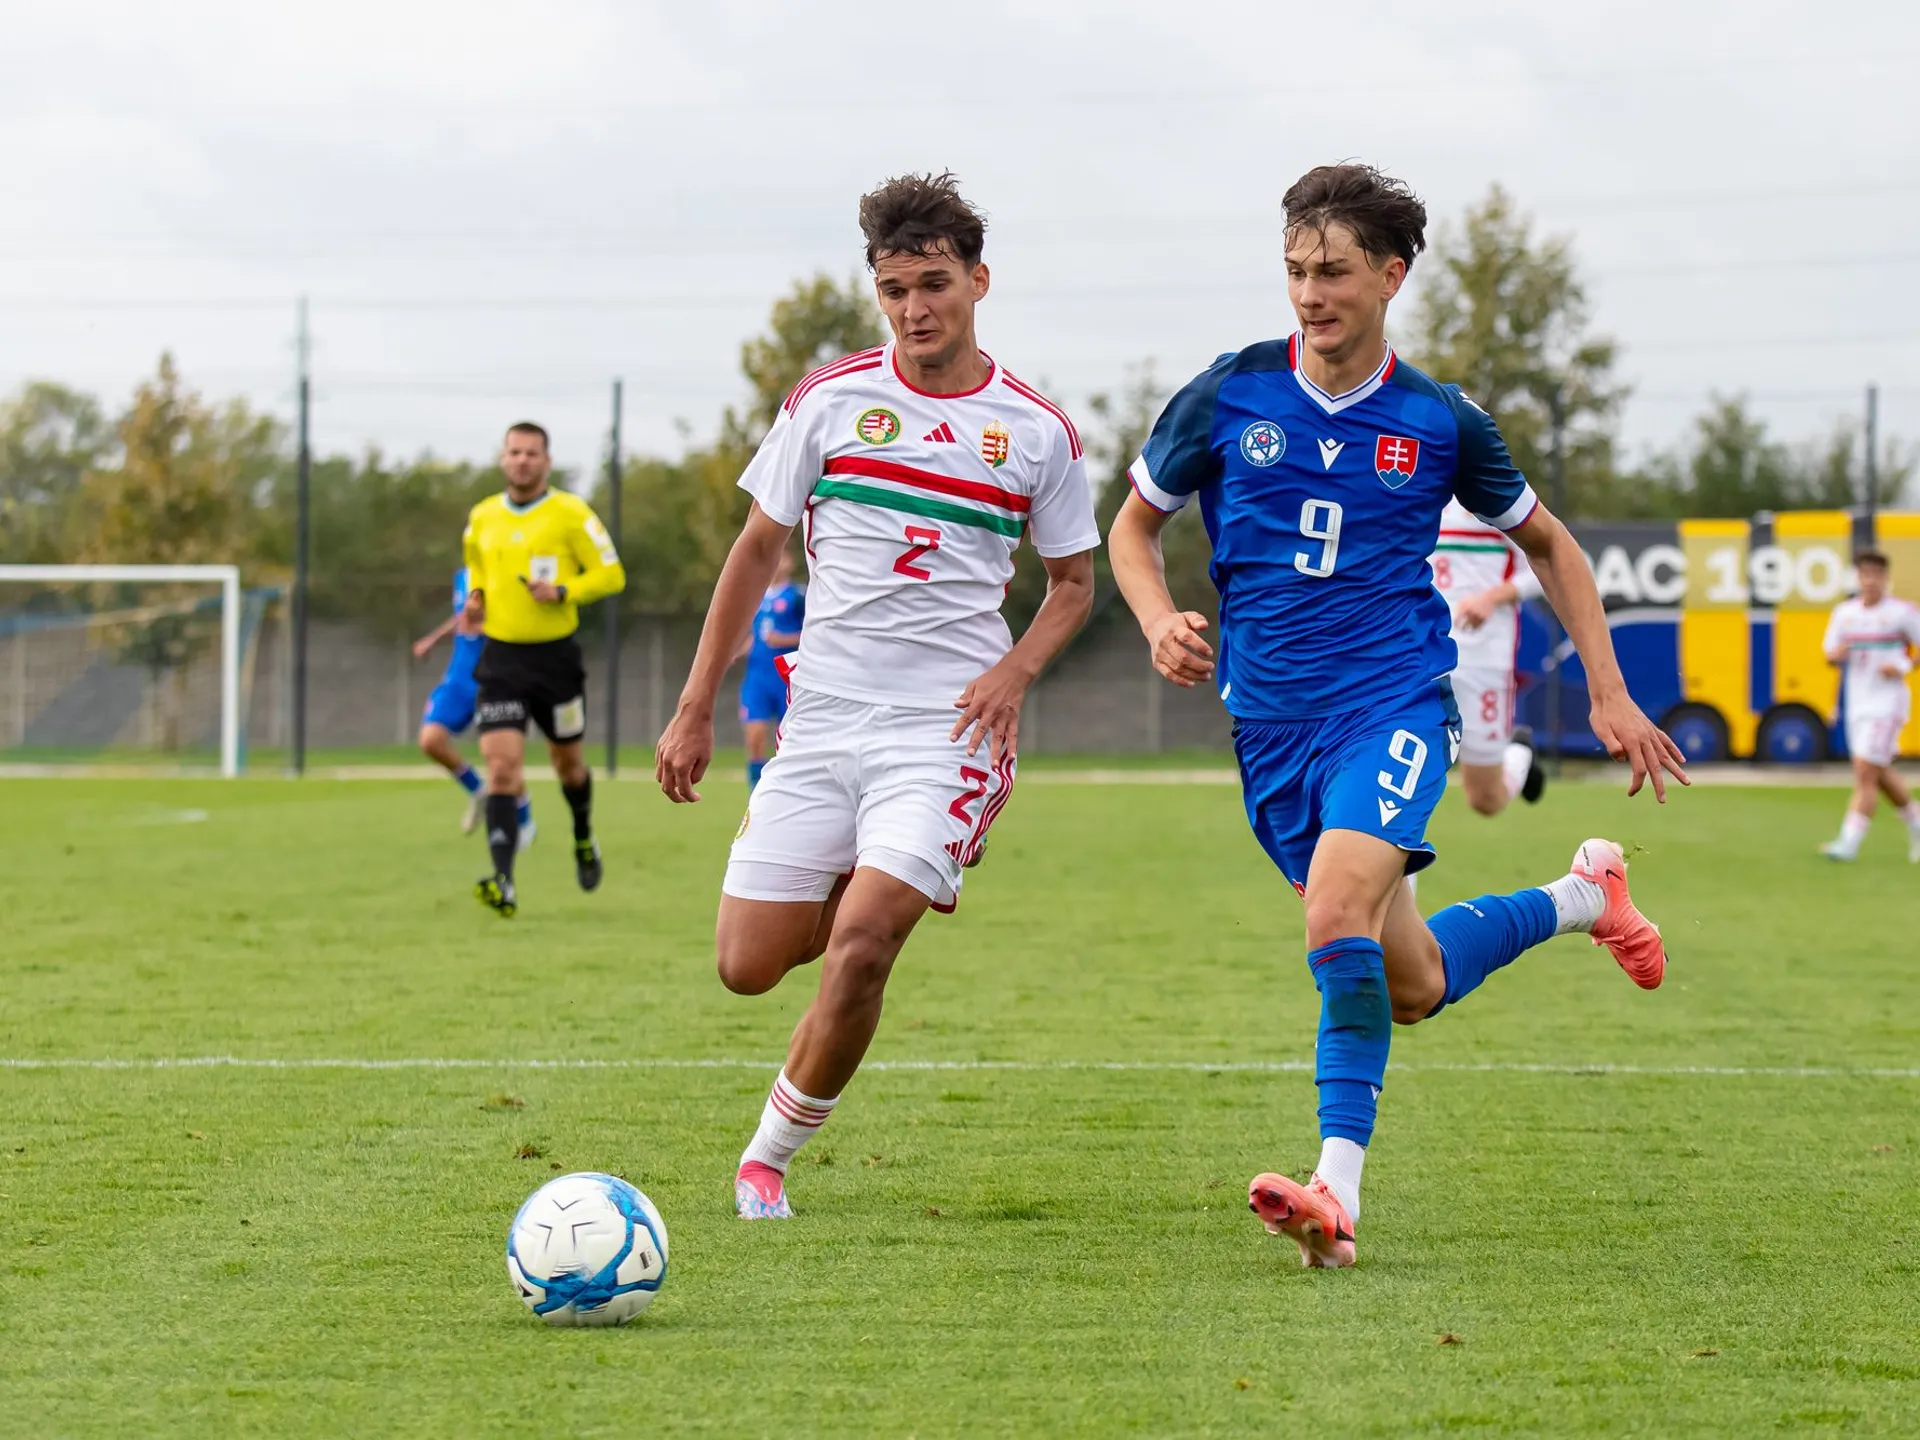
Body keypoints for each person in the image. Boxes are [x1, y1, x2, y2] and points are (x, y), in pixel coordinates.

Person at [1107, 163, 1689, 1268]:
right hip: (1270, 731)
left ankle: (1336, 1192)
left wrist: (1609, 691)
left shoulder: (1438, 419)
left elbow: (1550, 544)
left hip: (1393, 705)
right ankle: (1584, 896)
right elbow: (1132, 529)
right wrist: (1154, 619)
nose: (1309, 293)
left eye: (1332, 271)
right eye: (1294, 270)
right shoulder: (1230, 392)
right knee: (1408, 982)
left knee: (1335, 917)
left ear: (1390, 274)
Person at [654, 171, 1099, 1221]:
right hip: (820, 721)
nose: (914, 309)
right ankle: (871, 871)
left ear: (979, 280)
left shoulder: (1037, 430)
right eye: (894, 289)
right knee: (745, 966)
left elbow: (1075, 584)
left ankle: (766, 1162)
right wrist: (695, 702)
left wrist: (1015, 671)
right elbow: (755, 551)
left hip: (947, 732)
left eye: (934, 284)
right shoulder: (828, 401)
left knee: (861, 946)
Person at [462, 422, 626, 917]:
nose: (522, 461)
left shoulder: (571, 512)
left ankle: (583, 835)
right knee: (501, 768)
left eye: (532, 453)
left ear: (547, 461)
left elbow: (612, 574)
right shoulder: (482, 516)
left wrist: (564, 591)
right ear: (502, 458)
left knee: (568, 766)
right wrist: (476, 597)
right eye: (514, 452)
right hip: (501, 659)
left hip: (556, 661)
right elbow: (475, 567)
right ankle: (504, 881)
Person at [1429, 498, 1548, 815]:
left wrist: (1491, 598)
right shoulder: (1424, 497)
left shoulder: (1505, 503)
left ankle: (1519, 755)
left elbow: (1545, 567)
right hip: (1425, 655)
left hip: (1484, 659)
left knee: (1485, 800)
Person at [412, 566, 535, 847]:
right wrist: (433, 639)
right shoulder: (463, 575)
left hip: (495, 676)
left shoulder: (507, 571)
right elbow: (462, 617)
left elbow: (519, 624)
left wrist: (481, 624)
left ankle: (524, 821)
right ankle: (478, 791)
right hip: (459, 677)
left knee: (501, 759)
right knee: (430, 740)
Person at [1818, 550, 1920, 862]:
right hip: (1857, 704)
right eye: (1865, 574)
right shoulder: (1845, 614)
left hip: (1887, 703)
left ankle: (1848, 844)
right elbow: (1829, 653)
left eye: (1876, 574)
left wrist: (1903, 665)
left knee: (1864, 772)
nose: (1870, 581)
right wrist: (1836, 655)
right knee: (1877, 772)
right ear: (1858, 578)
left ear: (1885, 578)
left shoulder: (1901, 613)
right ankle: (1917, 824)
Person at [737, 548, 805, 790]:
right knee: (754, 734)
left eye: (783, 557)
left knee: (788, 740)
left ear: (790, 562)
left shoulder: (798, 596)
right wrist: (733, 652)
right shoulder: (756, 596)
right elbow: (755, 636)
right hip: (757, 676)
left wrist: (783, 640)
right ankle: (755, 792)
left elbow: (816, 634)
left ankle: (787, 789)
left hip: (787, 677)